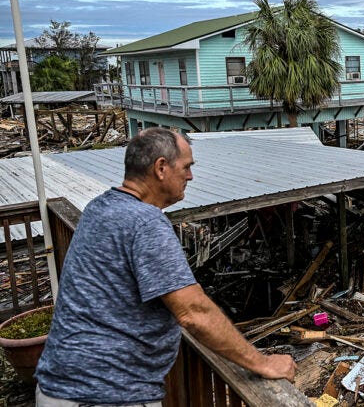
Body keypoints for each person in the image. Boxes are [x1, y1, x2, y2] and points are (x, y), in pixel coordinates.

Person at [35, 128, 296, 406]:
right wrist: (263, 363)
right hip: (106, 394)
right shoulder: (145, 222)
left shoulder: (99, 207)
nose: (190, 176)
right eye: (186, 167)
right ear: (161, 167)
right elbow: (193, 312)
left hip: (60, 386)